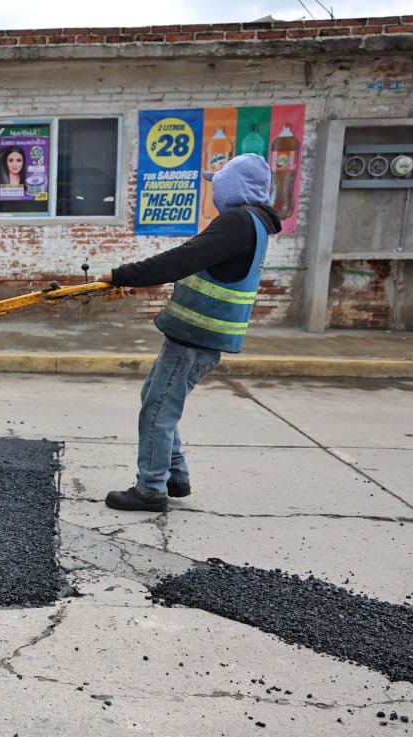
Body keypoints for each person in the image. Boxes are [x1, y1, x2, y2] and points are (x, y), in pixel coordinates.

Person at [102, 153, 282, 512]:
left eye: (218, 184)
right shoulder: (255, 223)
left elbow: (183, 259)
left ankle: (150, 489)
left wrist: (122, 275)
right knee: (154, 397)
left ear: (234, 187)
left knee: (157, 409)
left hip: (196, 336)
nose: (213, 191)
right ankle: (175, 474)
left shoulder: (237, 222)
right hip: (199, 334)